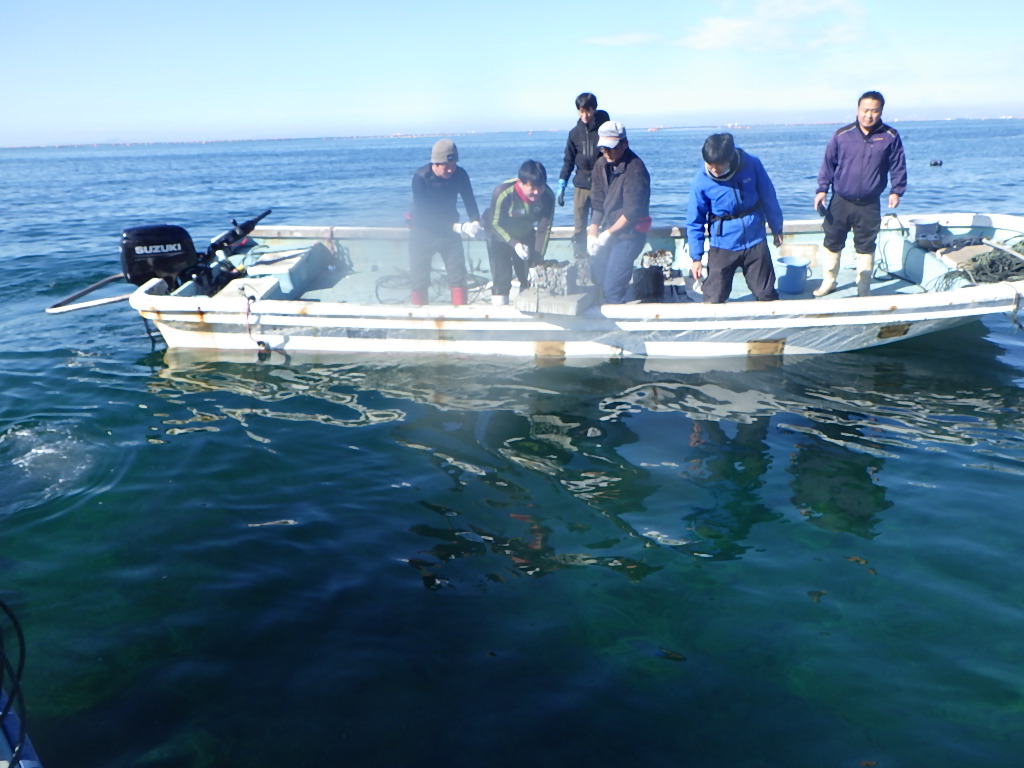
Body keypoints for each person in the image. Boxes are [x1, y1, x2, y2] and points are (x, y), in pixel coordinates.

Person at [814, 90, 907, 297]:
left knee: (865, 245)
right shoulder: (842, 135)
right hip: (841, 200)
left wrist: (896, 191)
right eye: (865, 110)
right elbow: (828, 164)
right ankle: (829, 282)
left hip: (869, 203)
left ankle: (863, 288)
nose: (869, 116)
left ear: (881, 112)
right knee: (832, 240)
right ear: (857, 110)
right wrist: (822, 190)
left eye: (874, 111)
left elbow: (898, 166)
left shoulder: (890, 136)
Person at [686, 133, 783, 304]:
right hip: (723, 243)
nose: (714, 169)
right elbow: (695, 221)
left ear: (730, 157)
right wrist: (696, 258)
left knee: (766, 294)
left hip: (755, 239)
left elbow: (769, 197)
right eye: (710, 164)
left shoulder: (752, 164)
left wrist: (777, 228)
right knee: (714, 297)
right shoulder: (699, 181)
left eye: (719, 165)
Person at [407, 139, 483, 306]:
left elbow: (469, 200)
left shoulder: (460, 174)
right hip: (423, 230)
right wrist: (458, 227)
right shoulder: (421, 178)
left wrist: (475, 221)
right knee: (419, 277)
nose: (451, 169)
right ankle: (419, 313)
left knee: (458, 275)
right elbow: (425, 213)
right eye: (446, 165)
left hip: (450, 233)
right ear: (435, 163)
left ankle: (460, 312)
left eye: (453, 164)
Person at [587, 121, 652, 304]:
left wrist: (607, 233)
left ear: (624, 144)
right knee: (596, 278)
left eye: (611, 148)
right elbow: (598, 203)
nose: (607, 153)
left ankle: (617, 311)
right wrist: (593, 233)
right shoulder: (600, 165)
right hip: (610, 230)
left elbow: (632, 211)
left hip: (630, 235)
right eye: (603, 148)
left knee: (612, 288)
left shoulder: (635, 169)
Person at [483, 160, 555, 305]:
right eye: (532, 188)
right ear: (521, 183)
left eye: (540, 187)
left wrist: (536, 262)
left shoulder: (547, 196)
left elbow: (544, 229)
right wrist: (514, 244)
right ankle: (500, 308)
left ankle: (526, 306)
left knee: (528, 275)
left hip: (525, 233)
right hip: (499, 236)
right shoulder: (503, 193)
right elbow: (495, 224)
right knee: (502, 278)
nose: (536, 192)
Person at [557, 93, 610, 258]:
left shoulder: (604, 130)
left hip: (601, 184)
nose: (585, 115)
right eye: (581, 112)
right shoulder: (574, 134)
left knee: (600, 223)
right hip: (580, 186)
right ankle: (580, 258)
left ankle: (601, 258)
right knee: (579, 227)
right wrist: (562, 184)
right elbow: (568, 160)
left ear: (594, 109)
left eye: (588, 111)